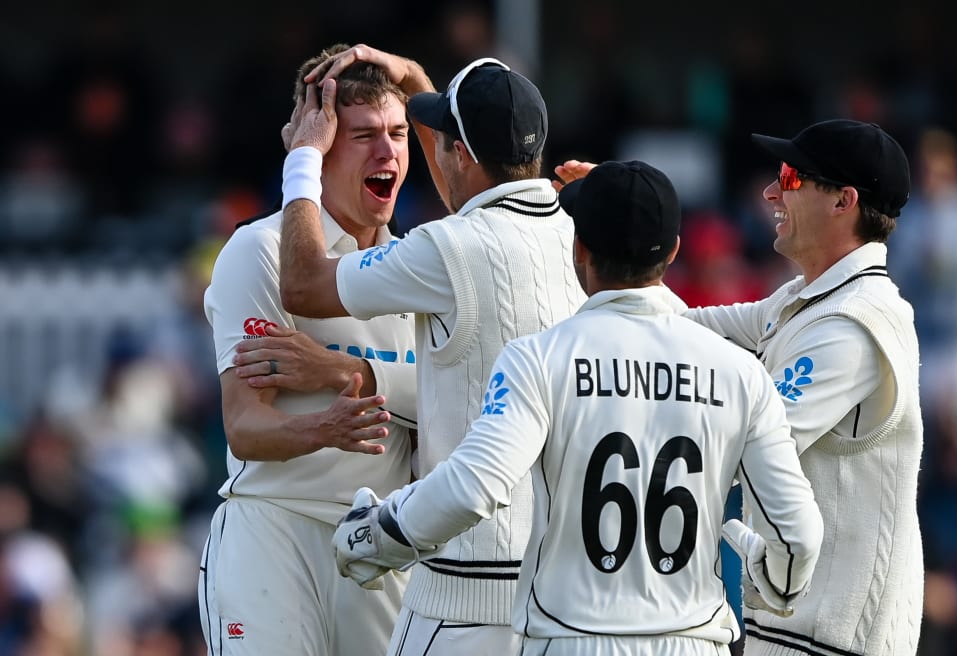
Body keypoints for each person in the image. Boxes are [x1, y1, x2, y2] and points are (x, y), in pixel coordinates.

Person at [330, 160, 824, 656]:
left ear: (579, 247)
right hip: (693, 643)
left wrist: (376, 535)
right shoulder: (740, 373)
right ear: (673, 252)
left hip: (573, 641)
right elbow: (799, 533)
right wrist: (778, 583)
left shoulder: (539, 358)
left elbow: (473, 485)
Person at [279, 45, 587, 654]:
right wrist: (419, 80)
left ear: (462, 153)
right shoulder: (580, 233)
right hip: (561, 591)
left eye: (441, 134)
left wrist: (304, 158)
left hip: (462, 590)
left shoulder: (444, 248)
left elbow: (302, 283)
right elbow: (471, 200)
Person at [197, 44, 421, 656]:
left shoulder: (423, 265)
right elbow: (244, 426)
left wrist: (347, 372)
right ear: (319, 147)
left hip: (384, 548)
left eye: (399, 134)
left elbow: (460, 400)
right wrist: (325, 425)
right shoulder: (260, 249)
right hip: (276, 530)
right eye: (364, 135)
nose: (387, 153)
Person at [677, 120, 923, 655]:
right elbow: (684, 327)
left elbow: (746, 449)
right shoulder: (810, 298)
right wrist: (618, 234)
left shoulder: (853, 325)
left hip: (833, 642)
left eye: (790, 177)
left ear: (844, 202)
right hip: (798, 632)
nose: (770, 191)